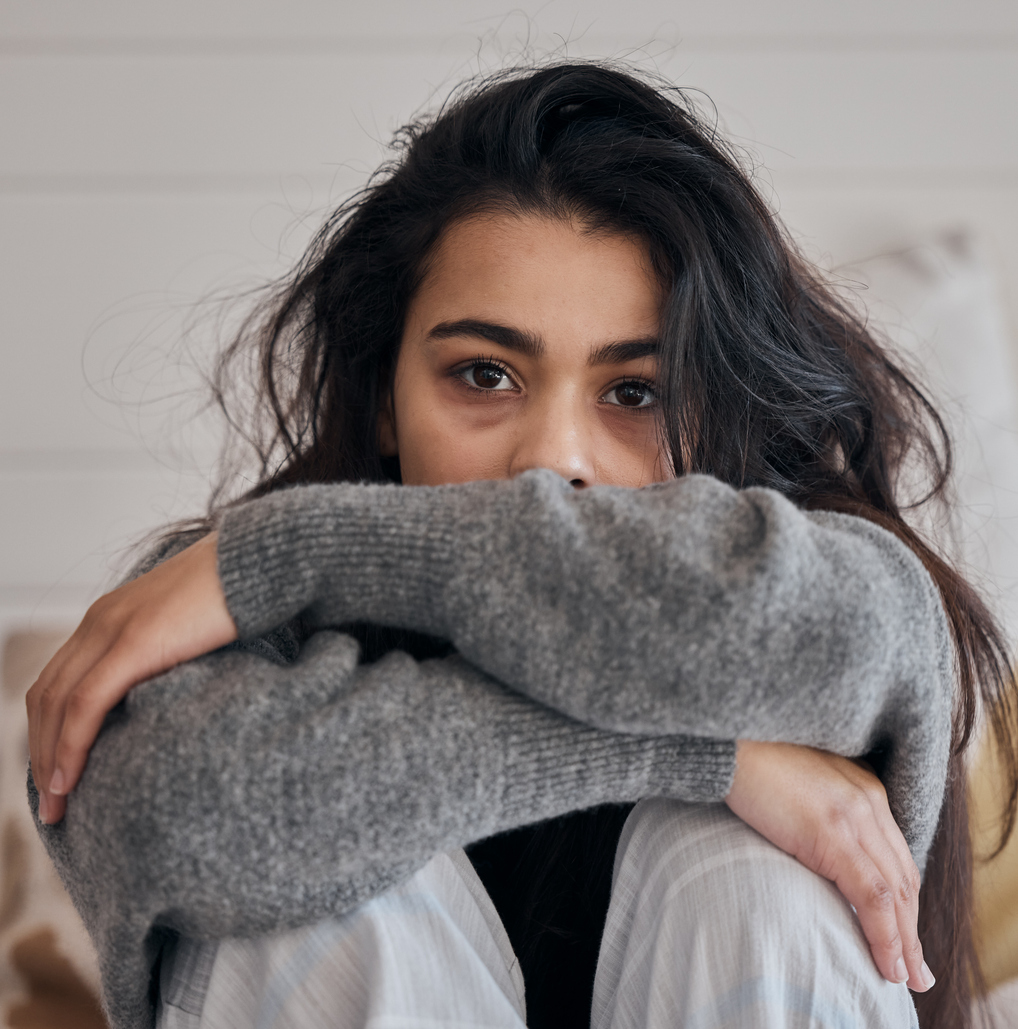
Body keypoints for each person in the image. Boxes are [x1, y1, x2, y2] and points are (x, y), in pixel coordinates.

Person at [25, 62, 1017, 1029]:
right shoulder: (203, 610)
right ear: (383, 397)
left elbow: (773, 631)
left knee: (759, 880)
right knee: (302, 878)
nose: (552, 462)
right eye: (484, 376)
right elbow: (186, 816)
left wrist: (300, 549)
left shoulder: (838, 583)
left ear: (720, 414)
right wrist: (708, 756)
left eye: (636, 393)